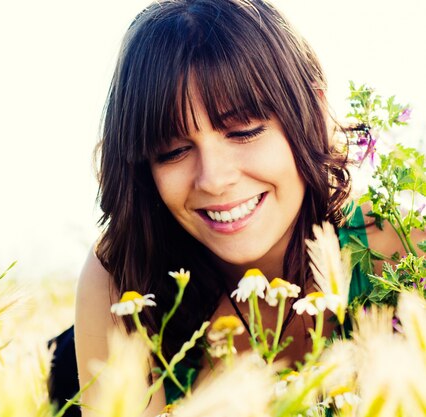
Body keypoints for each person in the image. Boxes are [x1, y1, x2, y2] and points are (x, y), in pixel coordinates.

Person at [64, 0, 411, 416]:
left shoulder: (396, 254)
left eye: (243, 132)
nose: (213, 178)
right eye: (173, 151)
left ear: (313, 112)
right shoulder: (124, 274)